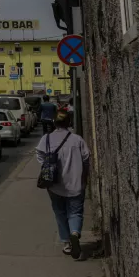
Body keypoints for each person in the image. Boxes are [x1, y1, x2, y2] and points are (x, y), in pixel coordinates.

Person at [37, 110, 90, 259]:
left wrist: (47, 165)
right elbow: (86, 158)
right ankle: (75, 233)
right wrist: (85, 176)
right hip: (76, 183)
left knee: (60, 212)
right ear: (69, 123)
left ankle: (66, 243)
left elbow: (40, 155)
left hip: (54, 184)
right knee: (75, 212)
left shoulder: (46, 139)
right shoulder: (77, 140)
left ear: (54, 123)